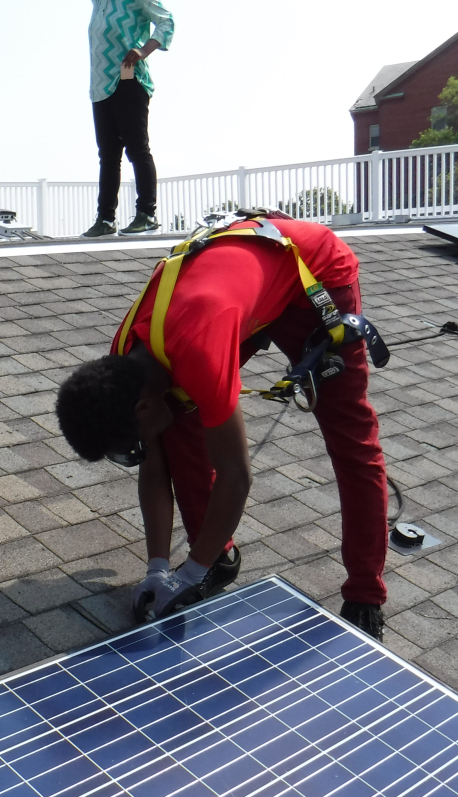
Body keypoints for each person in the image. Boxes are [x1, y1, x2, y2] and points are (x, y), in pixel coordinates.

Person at [55, 214, 389, 639]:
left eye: (133, 444)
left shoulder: (199, 352)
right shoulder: (124, 363)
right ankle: (216, 556)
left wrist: (188, 576)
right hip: (236, 289)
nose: (139, 453)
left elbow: (237, 475)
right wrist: (158, 568)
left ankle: (365, 593)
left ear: (141, 407)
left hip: (314, 275)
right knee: (176, 426)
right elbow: (154, 470)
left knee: (350, 438)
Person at [81, 0, 174, 239]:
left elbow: (166, 21)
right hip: (100, 86)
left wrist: (143, 51)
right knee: (108, 155)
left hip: (129, 79)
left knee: (137, 149)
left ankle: (147, 214)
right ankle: (105, 219)